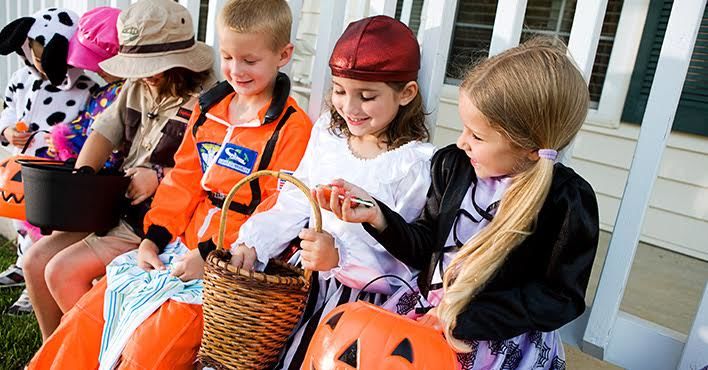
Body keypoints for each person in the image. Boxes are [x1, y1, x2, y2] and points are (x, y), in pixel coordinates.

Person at [28, 0, 312, 368]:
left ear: (283, 55)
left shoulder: (292, 128)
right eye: (227, 57)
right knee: (85, 320)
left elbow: (274, 208)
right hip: (175, 248)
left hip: (231, 266)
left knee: (149, 349)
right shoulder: (209, 110)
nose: (235, 70)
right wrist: (154, 237)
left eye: (250, 61)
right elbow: (184, 179)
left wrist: (210, 254)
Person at [319, 38, 600, 369]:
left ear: (529, 146)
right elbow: (426, 248)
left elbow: (559, 297)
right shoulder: (455, 168)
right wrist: (378, 216)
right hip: (425, 320)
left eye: (477, 136)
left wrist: (465, 319)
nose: (462, 141)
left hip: (496, 343)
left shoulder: (565, 200)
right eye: (465, 128)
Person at [229, 15, 434, 369]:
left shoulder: (413, 164)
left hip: (361, 302)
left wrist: (340, 259)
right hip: (303, 283)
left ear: (406, 93)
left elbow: (405, 257)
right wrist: (256, 241)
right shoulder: (329, 135)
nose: (349, 107)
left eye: (366, 96)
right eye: (339, 90)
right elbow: (297, 197)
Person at [23, 0, 215, 341]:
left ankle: (98, 355)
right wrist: (81, 183)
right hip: (115, 205)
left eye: (154, 65)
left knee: (62, 272)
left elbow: (209, 174)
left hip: (157, 222)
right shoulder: (138, 86)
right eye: (139, 65)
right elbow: (102, 133)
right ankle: (54, 350)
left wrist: (157, 177)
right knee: (35, 260)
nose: (145, 73)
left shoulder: (208, 101)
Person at [0, 7, 97, 315]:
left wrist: (60, 143)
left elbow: (87, 129)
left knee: (46, 227)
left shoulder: (86, 86)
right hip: (21, 164)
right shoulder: (20, 78)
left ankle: (35, 287)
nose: (39, 67)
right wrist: (7, 131)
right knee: (21, 219)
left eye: (45, 61)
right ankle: (21, 265)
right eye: (34, 57)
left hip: (57, 172)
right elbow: (8, 111)